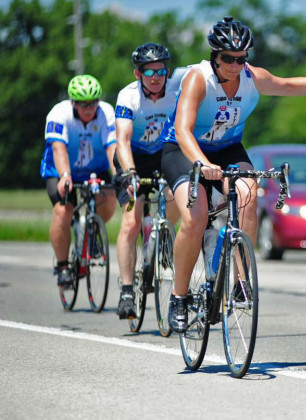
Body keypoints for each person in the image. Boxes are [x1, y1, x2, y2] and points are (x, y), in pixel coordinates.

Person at [161, 16, 306, 333]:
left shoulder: (252, 77)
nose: (236, 65)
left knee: (249, 196)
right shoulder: (198, 79)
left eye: (242, 58)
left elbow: (288, 85)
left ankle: (240, 279)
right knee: (195, 217)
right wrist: (201, 163)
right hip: (183, 150)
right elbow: (182, 130)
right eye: (228, 59)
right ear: (215, 55)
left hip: (227, 148)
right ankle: (179, 296)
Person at [113, 43, 181, 320]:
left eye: (161, 70)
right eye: (149, 71)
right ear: (138, 73)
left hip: (164, 153)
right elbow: (122, 140)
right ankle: (128, 290)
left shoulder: (177, 91)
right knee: (131, 222)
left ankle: (159, 232)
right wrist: (129, 171)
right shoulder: (128, 96)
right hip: (135, 157)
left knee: (182, 198)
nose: (156, 76)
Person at [40, 75, 117, 288]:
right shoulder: (58, 113)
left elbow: (112, 147)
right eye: (83, 103)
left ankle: (92, 232)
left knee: (110, 198)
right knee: (63, 212)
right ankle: (63, 266)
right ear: (73, 102)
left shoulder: (107, 113)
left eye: (93, 102)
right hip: (61, 169)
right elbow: (58, 148)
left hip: (96, 168)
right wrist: (65, 176)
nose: (89, 108)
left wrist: (119, 174)